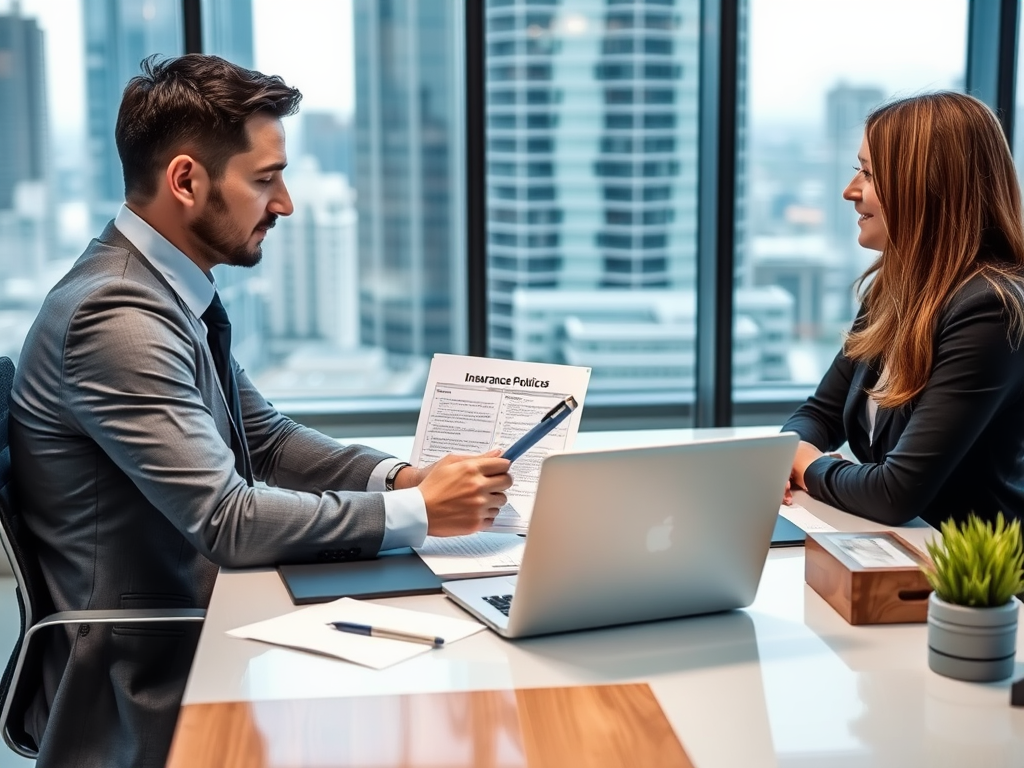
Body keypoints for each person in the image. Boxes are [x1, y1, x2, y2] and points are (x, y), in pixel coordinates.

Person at [8, 54, 512, 767]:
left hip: (211, 621)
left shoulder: (164, 291)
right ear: (186, 180)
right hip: (149, 676)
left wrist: (404, 480)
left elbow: (267, 441)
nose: (285, 204)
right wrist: (423, 514)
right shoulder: (115, 317)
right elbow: (229, 520)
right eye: (266, 179)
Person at [783, 91, 1024, 529]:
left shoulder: (992, 310)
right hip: (904, 550)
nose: (850, 190)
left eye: (869, 174)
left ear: (928, 188)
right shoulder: (892, 291)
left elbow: (894, 493)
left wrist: (806, 465)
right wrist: (789, 455)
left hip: (976, 583)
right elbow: (819, 413)